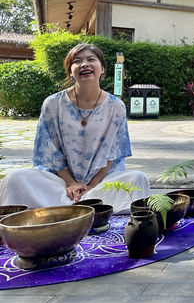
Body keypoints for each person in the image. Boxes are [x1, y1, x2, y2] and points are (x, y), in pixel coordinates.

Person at [0, 44, 150, 213]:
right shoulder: (53, 104)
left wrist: (93, 184)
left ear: (102, 69)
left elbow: (113, 153)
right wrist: (70, 182)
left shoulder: (116, 106)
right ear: (71, 72)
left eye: (91, 59)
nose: (84, 64)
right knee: (14, 179)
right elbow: (51, 150)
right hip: (59, 182)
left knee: (138, 179)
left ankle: (73, 207)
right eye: (77, 61)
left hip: (101, 182)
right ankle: (89, 208)